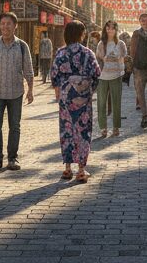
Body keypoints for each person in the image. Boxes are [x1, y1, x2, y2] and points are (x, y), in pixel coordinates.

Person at [0, 12, 35, 172]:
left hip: (16, 93)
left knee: (15, 126)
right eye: (3, 23)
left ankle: (12, 158)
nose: (5, 27)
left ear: (15, 26)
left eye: (9, 24)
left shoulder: (22, 46)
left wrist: (31, 90)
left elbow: (28, 70)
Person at [50, 20, 101, 183]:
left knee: (67, 130)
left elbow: (54, 75)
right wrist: (88, 89)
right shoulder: (88, 53)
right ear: (82, 35)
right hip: (83, 96)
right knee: (83, 131)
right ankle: (81, 170)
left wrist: (60, 91)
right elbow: (96, 74)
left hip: (66, 96)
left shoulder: (61, 53)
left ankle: (67, 168)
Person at [95, 20, 126, 137]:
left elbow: (123, 59)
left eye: (113, 28)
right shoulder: (101, 44)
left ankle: (116, 127)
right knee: (101, 103)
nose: (110, 30)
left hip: (116, 75)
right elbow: (98, 58)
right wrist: (104, 58)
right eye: (108, 28)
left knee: (116, 102)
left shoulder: (121, 44)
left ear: (116, 30)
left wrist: (120, 64)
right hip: (102, 76)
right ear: (105, 29)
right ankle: (103, 128)